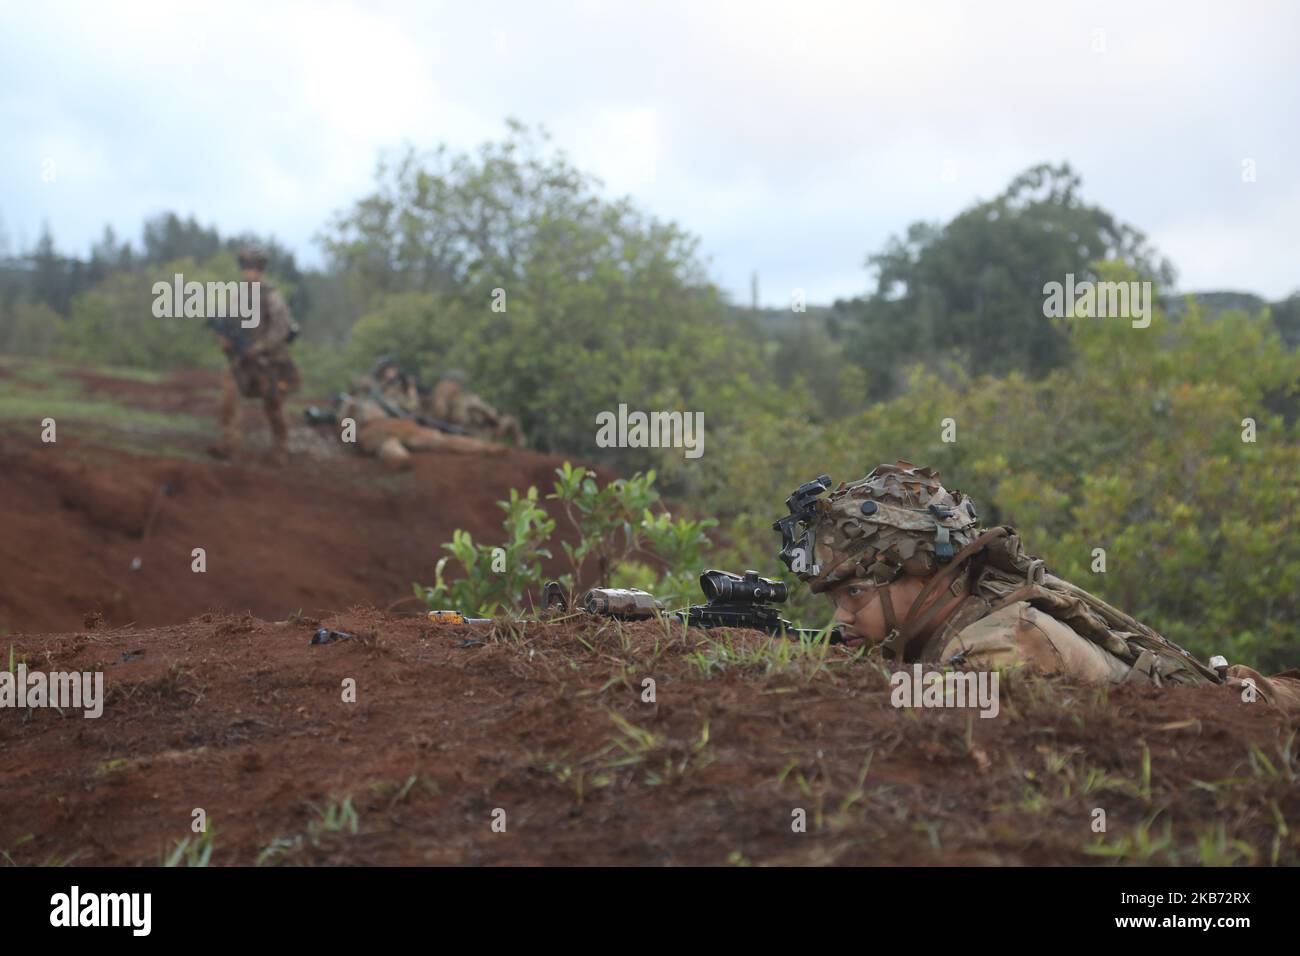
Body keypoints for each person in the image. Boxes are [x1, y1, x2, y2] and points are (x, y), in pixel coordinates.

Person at [774, 460, 1300, 713]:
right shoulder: (961, 600)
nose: (840, 615)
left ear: (915, 573)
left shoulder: (1000, 645)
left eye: (853, 595)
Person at [209, 245, 300, 465]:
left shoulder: (271, 295)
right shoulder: (237, 294)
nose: (250, 272)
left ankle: (282, 447)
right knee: (227, 400)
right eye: (247, 267)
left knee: (273, 405)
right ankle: (229, 444)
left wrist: (260, 347)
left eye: (254, 268)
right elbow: (228, 322)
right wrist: (225, 340)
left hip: (268, 360)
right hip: (240, 359)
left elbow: (281, 328)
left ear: (261, 270)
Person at [336, 359, 507, 470]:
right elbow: (346, 426)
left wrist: (409, 389)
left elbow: (410, 408)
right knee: (393, 450)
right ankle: (398, 458)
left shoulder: (390, 396)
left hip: (401, 425)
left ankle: (485, 448)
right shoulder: (353, 403)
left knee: (437, 440)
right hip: (375, 430)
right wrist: (353, 444)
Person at [427, 370, 525, 446]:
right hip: (472, 434)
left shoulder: (447, 397)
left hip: (463, 431)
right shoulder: (467, 400)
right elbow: (492, 416)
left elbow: (491, 416)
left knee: (509, 421)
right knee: (510, 421)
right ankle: (520, 448)